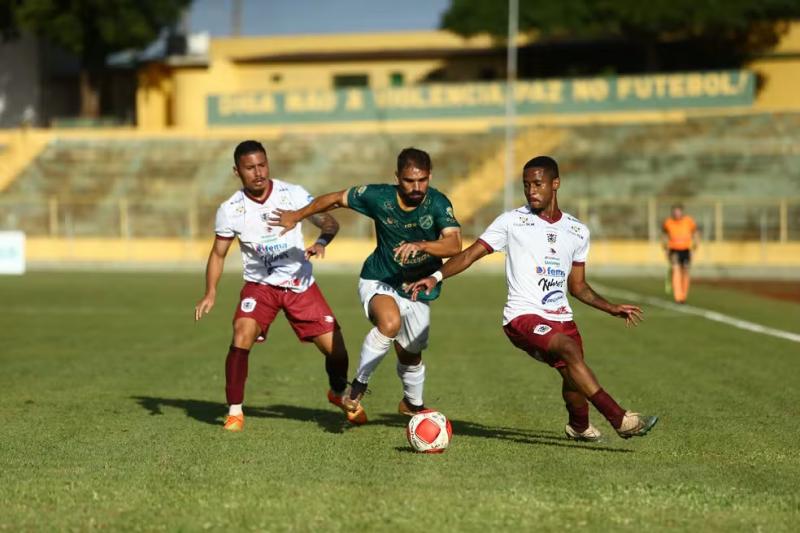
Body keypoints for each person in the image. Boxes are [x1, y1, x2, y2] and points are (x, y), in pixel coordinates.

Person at [408, 156, 658, 441]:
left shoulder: (577, 231)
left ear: (555, 184)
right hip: (522, 316)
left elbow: (578, 287)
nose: (531, 191)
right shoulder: (512, 222)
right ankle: (621, 419)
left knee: (574, 378)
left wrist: (610, 307)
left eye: (537, 184)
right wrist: (435, 276)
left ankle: (578, 426)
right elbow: (468, 254)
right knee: (567, 350)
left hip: (562, 317)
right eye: (526, 185)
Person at [270, 147, 462, 422]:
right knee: (389, 323)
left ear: (430, 175)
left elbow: (454, 244)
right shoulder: (378, 196)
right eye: (409, 180)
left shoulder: (439, 203)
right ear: (397, 177)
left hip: (417, 288)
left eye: (422, 180)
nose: (417, 187)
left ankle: (412, 404)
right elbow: (335, 198)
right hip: (379, 279)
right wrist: (296, 215)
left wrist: (421, 245)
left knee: (411, 355)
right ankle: (357, 389)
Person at [194, 140, 364, 432]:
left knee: (337, 351)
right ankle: (235, 411)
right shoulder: (230, 210)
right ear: (237, 171)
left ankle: (337, 392)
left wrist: (321, 242)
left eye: (262, 165)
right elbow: (218, 253)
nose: (258, 172)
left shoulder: (292, 194)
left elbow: (330, 223)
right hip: (260, 288)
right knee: (241, 332)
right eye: (250, 168)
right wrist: (211, 291)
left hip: (300, 284)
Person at [662, 204, 699, 304]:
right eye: (675, 211)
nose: (676, 213)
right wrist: (665, 249)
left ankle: (683, 295)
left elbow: (695, 234)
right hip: (674, 249)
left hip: (686, 249)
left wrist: (694, 248)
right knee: (676, 270)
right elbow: (665, 236)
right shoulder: (668, 222)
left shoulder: (688, 221)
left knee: (686, 271)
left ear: (682, 212)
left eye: (678, 211)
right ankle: (678, 297)